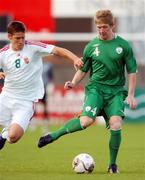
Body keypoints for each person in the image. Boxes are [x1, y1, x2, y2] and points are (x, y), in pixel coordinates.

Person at [38, 10, 137, 174]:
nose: (101, 30)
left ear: (113, 26)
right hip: (96, 89)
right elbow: (83, 69)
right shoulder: (91, 46)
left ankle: (112, 165)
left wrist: (131, 94)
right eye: (99, 27)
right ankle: (53, 135)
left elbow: (132, 71)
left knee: (116, 124)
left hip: (116, 91)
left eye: (105, 27)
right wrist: (73, 82)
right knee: (85, 122)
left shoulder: (124, 45)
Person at [0, 21, 83, 150]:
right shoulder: (3, 54)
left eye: (23, 37)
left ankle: (5, 135)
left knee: (13, 136)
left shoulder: (33, 47)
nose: (21, 41)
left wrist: (75, 59)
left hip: (25, 101)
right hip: (6, 97)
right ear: (9, 37)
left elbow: (58, 50)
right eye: (17, 38)